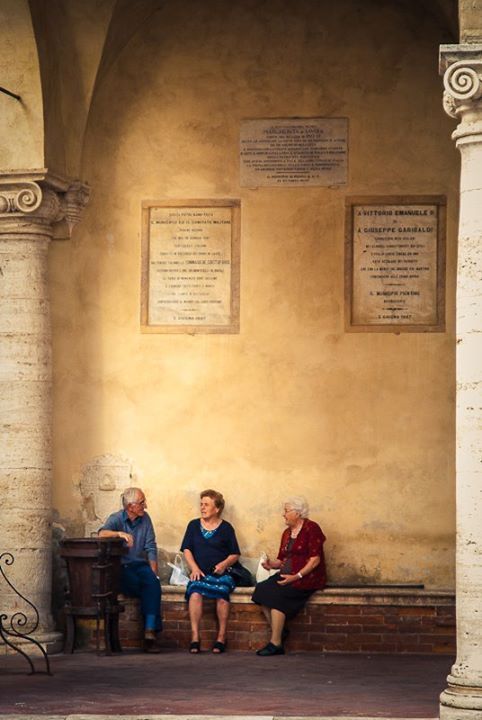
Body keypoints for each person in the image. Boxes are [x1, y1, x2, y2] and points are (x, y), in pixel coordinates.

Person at [252, 496, 326, 656]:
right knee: (262, 590)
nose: (283, 514)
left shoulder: (311, 528)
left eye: (286, 511)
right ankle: (279, 631)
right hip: (286, 575)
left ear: (298, 513)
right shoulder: (287, 533)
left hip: (306, 577)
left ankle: (276, 643)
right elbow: (282, 560)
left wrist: (297, 576)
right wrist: (271, 565)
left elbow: (315, 560)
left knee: (278, 596)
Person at [99, 487, 162, 653]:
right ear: (130, 506)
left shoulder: (145, 519)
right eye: (142, 503)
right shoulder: (117, 518)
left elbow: (151, 547)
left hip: (140, 566)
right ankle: (151, 630)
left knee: (153, 583)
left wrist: (154, 572)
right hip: (122, 567)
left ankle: (150, 632)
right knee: (145, 588)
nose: (145, 506)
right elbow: (101, 534)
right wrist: (119, 534)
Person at [181, 489, 241, 653]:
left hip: (221, 573)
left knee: (222, 594)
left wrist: (223, 564)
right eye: (201, 504)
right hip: (199, 572)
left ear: (217, 509)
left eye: (206, 504)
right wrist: (194, 568)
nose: (202, 507)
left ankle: (221, 637)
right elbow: (187, 549)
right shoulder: (193, 525)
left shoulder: (227, 528)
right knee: (194, 592)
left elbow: (235, 553)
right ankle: (195, 637)